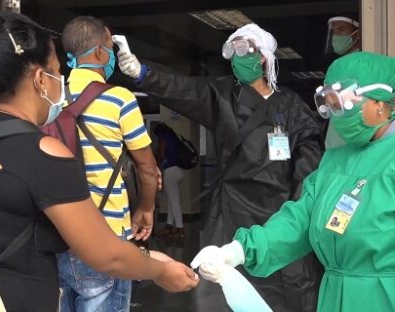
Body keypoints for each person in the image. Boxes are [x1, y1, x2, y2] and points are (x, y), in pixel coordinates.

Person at [0, 10, 198, 312]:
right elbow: (109, 256)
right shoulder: (43, 153)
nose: (61, 82)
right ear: (41, 79)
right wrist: (161, 271)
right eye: (56, 71)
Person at [117, 23, 323, 311]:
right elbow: (184, 89)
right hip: (230, 209)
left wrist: (302, 208)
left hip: (280, 211)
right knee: (221, 288)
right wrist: (142, 72)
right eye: (233, 50)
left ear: (262, 56)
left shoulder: (289, 105)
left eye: (243, 49)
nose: (237, 58)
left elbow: (310, 158)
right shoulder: (223, 94)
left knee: (283, 289)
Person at [191, 51, 395, 312]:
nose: (337, 115)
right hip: (335, 296)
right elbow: (301, 218)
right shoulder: (335, 160)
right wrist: (240, 250)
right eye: (329, 104)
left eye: (343, 103)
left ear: (381, 101)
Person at [57, 16, 161, 312]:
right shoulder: (119, 98)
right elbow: (147, 168)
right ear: (102, 53)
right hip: (108, 233)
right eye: (111, 48)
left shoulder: (50, 98)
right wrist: (146, 208)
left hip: (60, 231)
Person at [324, 16, 361, 149]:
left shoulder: (363, 64)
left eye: (341, 30)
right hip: (338, 139)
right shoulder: (338, 66)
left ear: (358, 34)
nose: (336, 36)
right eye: (333, 32)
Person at [154, 123, 185, 238]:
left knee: (174, 202)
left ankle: (180, 229)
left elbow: (162, 156)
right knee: (172, 201)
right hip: (179, 170)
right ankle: (169, 226)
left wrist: (156, 157)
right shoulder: (174, 136)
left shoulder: (163, 137)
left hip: (170, 171)